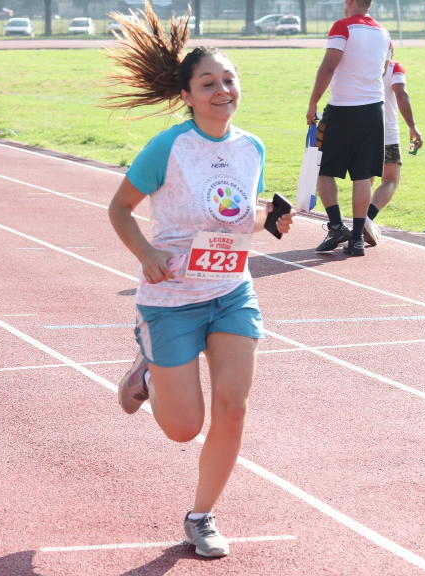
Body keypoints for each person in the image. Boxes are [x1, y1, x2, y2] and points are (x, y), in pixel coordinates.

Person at [104, 3, 294, 559]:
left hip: (232, 291)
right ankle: (148, 369)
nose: (222, 90)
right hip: (170, 300)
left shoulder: (251, 147)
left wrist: (269, 220)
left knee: (233, 408)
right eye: (208, 82)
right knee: (183, 429)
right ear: (187, 94)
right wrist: (146, 253)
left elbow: (237, 213)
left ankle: (201, 515)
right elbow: (119, 209)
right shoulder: (170, 147)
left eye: (229, 80)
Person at [306, 0, 392, 257]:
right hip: (373, 110)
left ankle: (335, 225)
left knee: (324, 169)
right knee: (363, 175)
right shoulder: (384, 33)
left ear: (351, 2)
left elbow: (329, 65)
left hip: (343, 108)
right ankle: (356, 239)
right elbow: (385, 68)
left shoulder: (343, 27)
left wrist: (313, 102)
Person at [363, 60, 423, 246]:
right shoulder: (394, 67)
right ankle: (367, 218)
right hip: (386, 133)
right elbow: (401, 94)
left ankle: (360, 222)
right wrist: (412, 127)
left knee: (365, 180)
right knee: (390, 180)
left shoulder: (358, 64)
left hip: (359, 132)